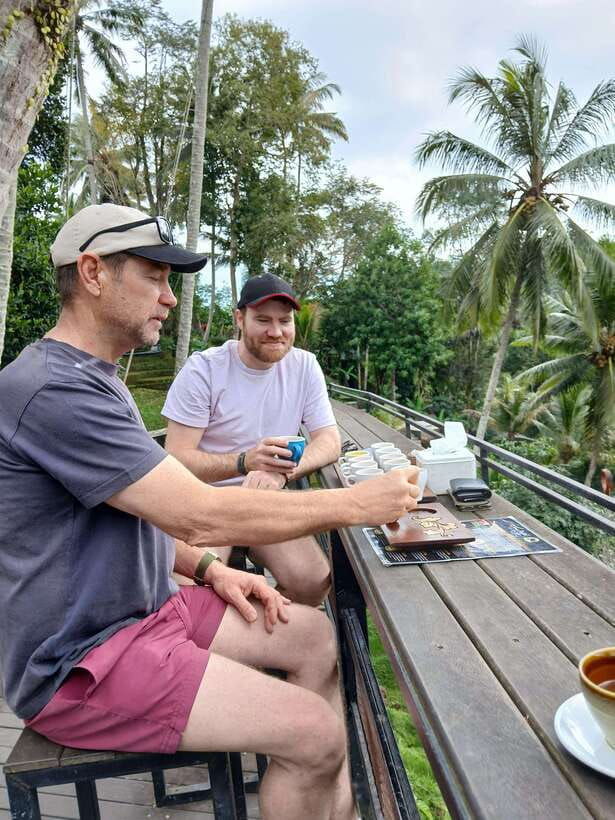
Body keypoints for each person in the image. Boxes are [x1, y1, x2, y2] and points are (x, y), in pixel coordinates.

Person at [0, 204, 419, 820]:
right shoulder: (53, 388)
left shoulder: (100, 377)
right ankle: (313, 767)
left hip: (147, 611)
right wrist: (358, 503)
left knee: (313, 635)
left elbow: (138, 514)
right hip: (82, 662)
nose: (170, 298)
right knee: (316, 733)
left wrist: (208, 570)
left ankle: (325, 803)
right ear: (93, 273)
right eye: (156, 277)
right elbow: (197, 513)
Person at [163, 272, 339, 606]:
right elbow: (176, 458)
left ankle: (262, 633)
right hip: (207, 504)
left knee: (314, 581)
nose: (276, 332)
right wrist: (244, 462)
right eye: (263, 320)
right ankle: (236, 641)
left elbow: (328, 439)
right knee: (188, 590)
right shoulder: (204, 370)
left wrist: (281, 472)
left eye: (284, 321)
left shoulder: (304, 366)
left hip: (264, 503)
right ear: (240, 319)